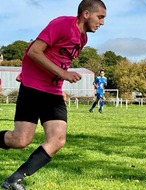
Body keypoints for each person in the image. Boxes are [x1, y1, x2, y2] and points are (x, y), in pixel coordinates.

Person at [0, 1, 106, 189]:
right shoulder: (62, 24)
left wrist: (60, 84)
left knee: (57, 139)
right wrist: (62, 74)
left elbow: (59, 59)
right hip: (33, 88)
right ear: (86, 13)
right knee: (20, 140)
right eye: (100, 17)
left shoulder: (83, 39)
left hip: (53, 92)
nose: (102, 22)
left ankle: (14, 180)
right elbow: (34, 51)